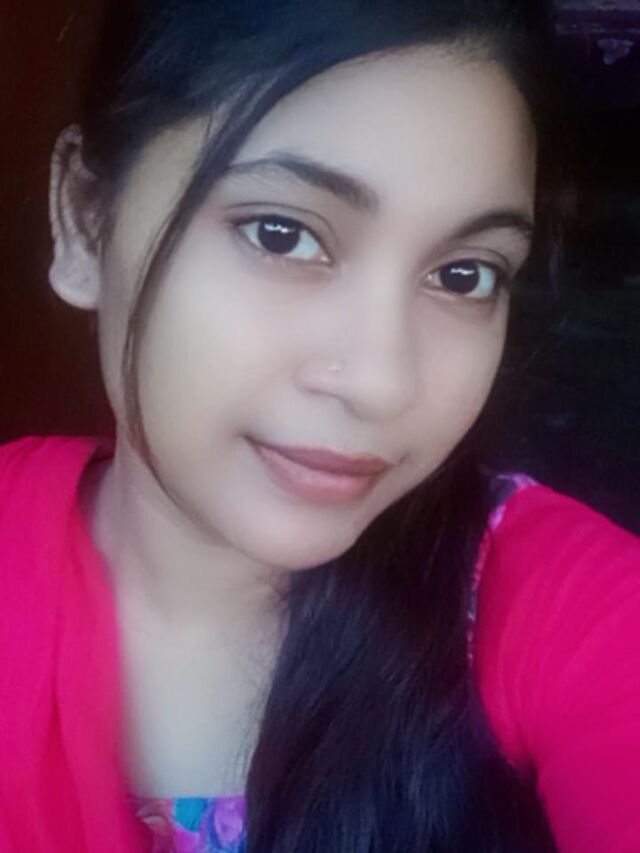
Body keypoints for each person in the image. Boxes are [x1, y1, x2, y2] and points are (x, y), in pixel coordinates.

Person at [1, 1, 639, 851]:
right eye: (283, 234)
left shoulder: (554, 605)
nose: (382, 382)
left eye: (464, 275)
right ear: (85, 220)